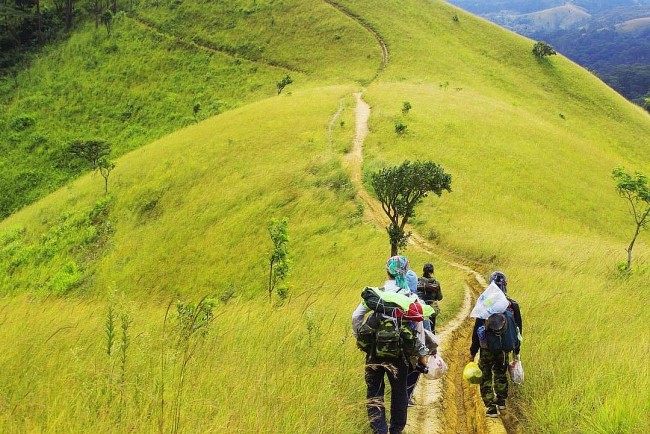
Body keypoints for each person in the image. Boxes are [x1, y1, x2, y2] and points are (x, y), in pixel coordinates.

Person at [352, 256, 429, 434]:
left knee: (374, 392)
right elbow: (418, 327)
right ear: (406, 271)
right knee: (399, 393)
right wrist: (421, 357)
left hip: (374, 352)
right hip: (400, 354)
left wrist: (362, 338)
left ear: (387, 270)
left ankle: (379, 430)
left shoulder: (375, 294)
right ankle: (396, 430)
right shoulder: (411, 296)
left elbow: (356, 317)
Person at [469, 271, 523, 418]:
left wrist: (473, 351)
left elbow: (476, 330)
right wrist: (516, 351)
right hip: (504, 348)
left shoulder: (485, 304)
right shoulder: (512, 305)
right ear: (505, 284)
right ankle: (501, 401)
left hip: (486, 348)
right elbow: (518, 330)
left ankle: (491, 408)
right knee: (500, 373)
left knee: (485, 375)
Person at [416, 263, 443, 333]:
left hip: (420, 308)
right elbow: (440, 297)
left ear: (423, 270)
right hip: (431, 308)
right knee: (431, 328)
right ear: (432, 272)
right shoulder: (436, 283)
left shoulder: (418, 281)